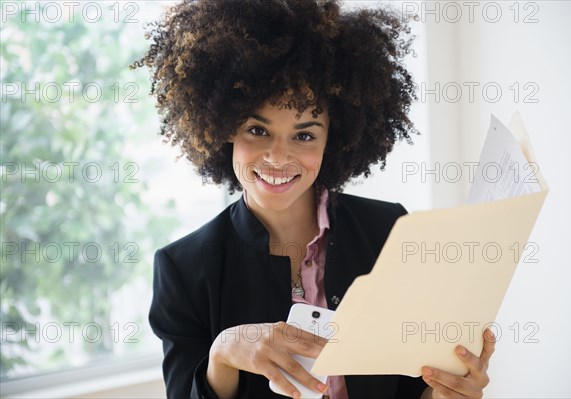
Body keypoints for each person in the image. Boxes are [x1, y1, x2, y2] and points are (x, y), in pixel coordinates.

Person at [132, 0, 496, 398]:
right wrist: (223, 354)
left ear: (333, 140)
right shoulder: (183, 269)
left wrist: (449, 391)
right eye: (257, 129)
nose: (277, 157)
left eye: (304, 135)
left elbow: (415, 385)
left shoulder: (389, 231)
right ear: (222, 130)